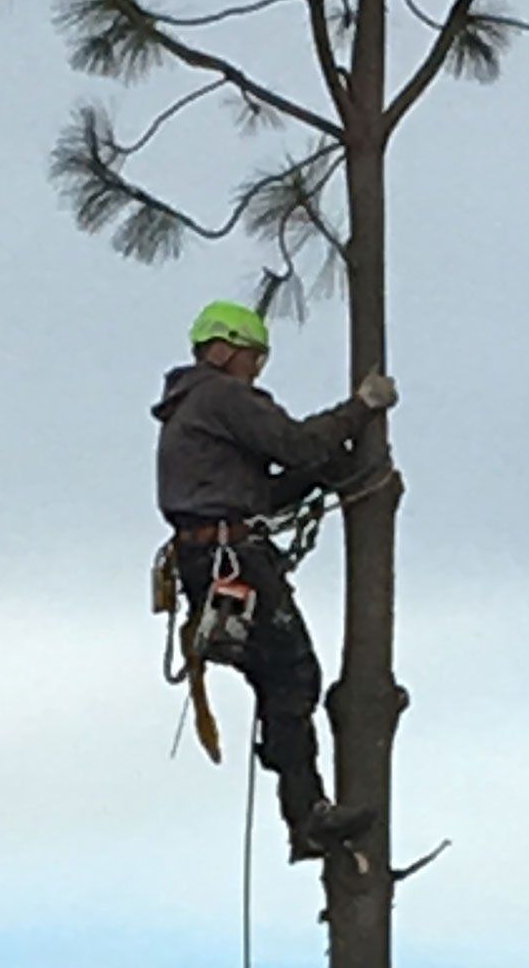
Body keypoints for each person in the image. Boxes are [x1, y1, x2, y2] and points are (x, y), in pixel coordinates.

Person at [153, 300, 399, 861]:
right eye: (252, 358)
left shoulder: (191, 411)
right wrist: (361, 408)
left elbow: (259, 495)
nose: (256, 371)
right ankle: (308, 815)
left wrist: (319, 476)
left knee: (278, 681)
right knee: (293, 673)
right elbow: (295, 443)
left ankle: (305, 815)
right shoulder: (220, 397)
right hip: (230, 559)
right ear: (223, 350)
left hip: (214, 558)